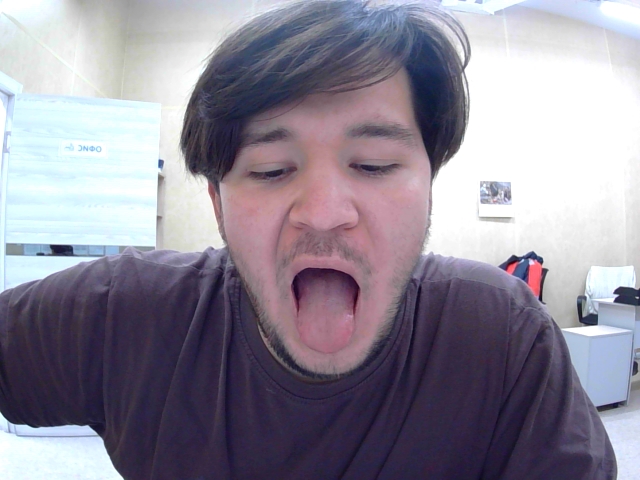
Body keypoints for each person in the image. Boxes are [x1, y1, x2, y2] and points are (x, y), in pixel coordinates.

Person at [0, 1, 615, 479]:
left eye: (373, 164)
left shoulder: (502, 339)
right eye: (271, 171)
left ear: (429, 186)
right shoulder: (126, 314)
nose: (323, 214)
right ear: (216, 203)